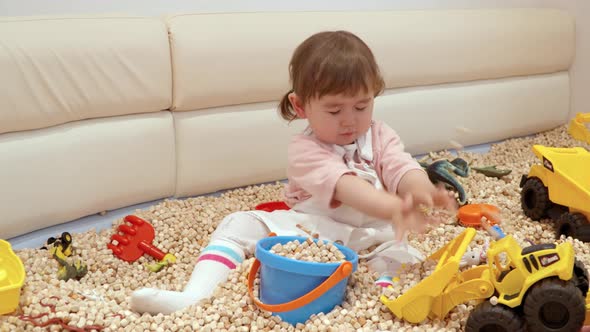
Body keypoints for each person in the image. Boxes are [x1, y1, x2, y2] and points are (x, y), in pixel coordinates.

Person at [130, 30, 457, 315]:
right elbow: (344, 186)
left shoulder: (380, 134)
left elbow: (400, 166)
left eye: (362, 106)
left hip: (374, 236)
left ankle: (384, 301)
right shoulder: (306, 150)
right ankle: (195, 295)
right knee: (238, 223)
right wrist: (392, 207)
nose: (350, 120)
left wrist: (423, 190)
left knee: (405, 257)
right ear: (301, 107)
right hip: (312, 231)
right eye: (334, 109)